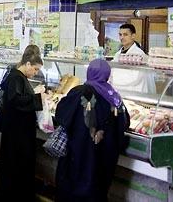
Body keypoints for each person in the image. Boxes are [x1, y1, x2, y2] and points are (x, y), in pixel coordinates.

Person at [54, 59, 130, 202]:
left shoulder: (79, 92)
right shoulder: (114, 97)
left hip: (78, 154)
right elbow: (124, 123)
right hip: (103, 159)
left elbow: (61, 115)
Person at [0, 52, 44, 201]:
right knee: (15, 165)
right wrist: (36, 96)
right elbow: (16, 101)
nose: (35, 73)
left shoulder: (18, 76)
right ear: (27, 64)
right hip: (17, 133)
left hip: (16, 131)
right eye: (35, 69)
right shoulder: (16, 77)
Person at [110, 23, 155, 94]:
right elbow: (111, 68)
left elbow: (134, 78)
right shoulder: (117, 54)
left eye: (125, 34)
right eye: (120, 35)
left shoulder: (139, 55)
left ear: (133, 36)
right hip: (120, 95)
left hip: (135, 96)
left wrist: (111, 77)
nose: (122, 37)